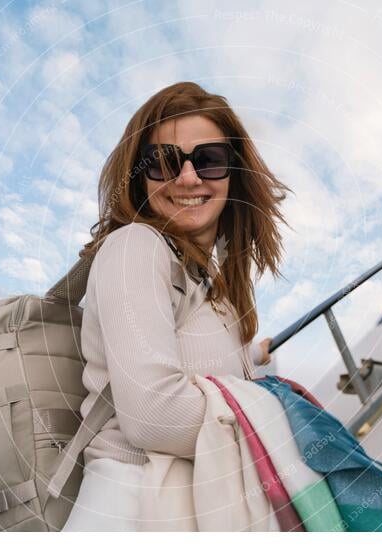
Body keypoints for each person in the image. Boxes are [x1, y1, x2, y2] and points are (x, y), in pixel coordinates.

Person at [62, 81, 289, 531]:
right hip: (131, 516)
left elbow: (200, 369)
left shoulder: (214, 289)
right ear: (139, 176)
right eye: (163, 162)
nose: (187, 177)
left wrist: (255, 357)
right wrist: (288, 431)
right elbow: (151, 413)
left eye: (209, 160)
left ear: (234, 174)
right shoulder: (134, 248)